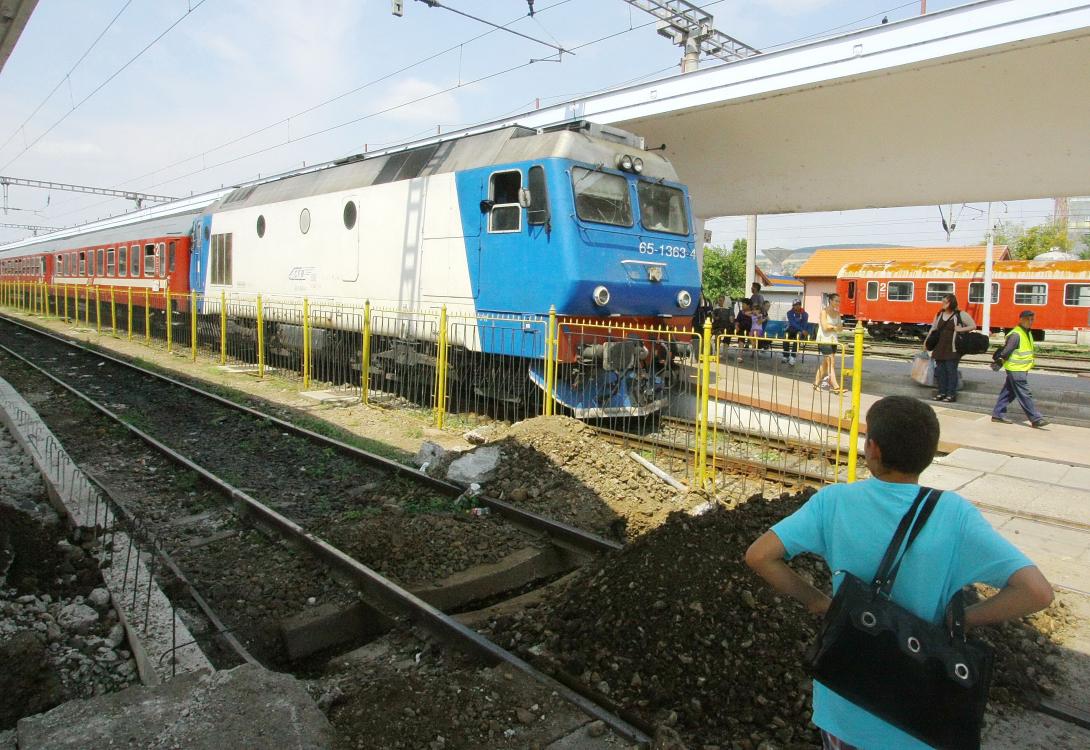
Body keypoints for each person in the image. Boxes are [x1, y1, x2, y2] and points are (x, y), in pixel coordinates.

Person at [745, 395, 1054, 750]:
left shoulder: (833, 503)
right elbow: (1037, 592)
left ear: (872, 448)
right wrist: (961, 621)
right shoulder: (954, 514)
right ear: (930, 453)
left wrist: (819, 602)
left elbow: (760, 556)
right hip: (920, 712)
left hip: (845, 703)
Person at [991, 310, 1049, 428]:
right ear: (1021, 319)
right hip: (1016, 369)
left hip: (1021, 368)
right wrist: (1000, 361)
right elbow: (1007, 350)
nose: (1031, 322)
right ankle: (1036, 418)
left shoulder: (1026, 332)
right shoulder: (1016, 334)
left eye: (1032, 319)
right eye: (1028, 319)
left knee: (1009, 391)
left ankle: (997, 414)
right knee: (1024, 392)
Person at [926, 293, 976, 403]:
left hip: (953, 348)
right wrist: (926, 342)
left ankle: (951, 394)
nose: (942, 304)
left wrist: (960, 329)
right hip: (939, 347)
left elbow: (973, 325)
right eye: (942, 301)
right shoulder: (939, 314)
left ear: (951, 303)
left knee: (951, 371)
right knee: (940, 372)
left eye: (945, 302)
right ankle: (941, 392)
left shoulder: (960, 314)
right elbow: (933, 328)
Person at [813, 293, 843, 393]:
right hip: (824, 340)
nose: (838, 303)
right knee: (831, 363)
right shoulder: (823, 312)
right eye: (836, 301)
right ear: (830, 300)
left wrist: (832, 327)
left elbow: (840, 329)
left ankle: (816, 384)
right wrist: (834, 327)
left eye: (839, 301)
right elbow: (825, 327)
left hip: (833, 340)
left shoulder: (837, 313)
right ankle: (835, 385)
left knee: (825, 365)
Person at [782, 299, 808, 365]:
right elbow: (793, 323)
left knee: (799, 335)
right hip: (791, 330)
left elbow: (804, 324)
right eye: (795, 305)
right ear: (793, 306)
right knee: (786, 335)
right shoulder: (789, 313)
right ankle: (786, 355)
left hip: (799, 331)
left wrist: (803, 331)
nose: (797, 306)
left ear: (800, 305)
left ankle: (793, 357)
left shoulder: (805, 314)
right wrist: (802, 330)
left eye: (798, 304)